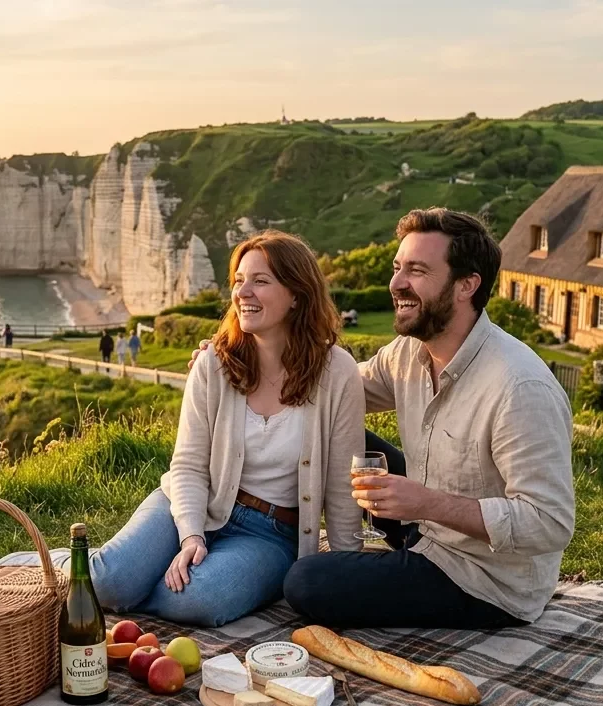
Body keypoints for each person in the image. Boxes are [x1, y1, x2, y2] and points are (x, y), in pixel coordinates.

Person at [191, 208, 574, 630]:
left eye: (417, 271)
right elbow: (331, 390)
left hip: (483, 579)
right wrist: (235, 362)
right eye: (397, 268)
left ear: (467, 285)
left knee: (305, 582)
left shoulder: (519, 387)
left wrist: (425, 503)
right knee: (345, 434)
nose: (396, 284)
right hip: (423, 532)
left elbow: (549, 523)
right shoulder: (410, 353)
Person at [2, 231, 365, 627]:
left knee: (200, 601)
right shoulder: (215, 363)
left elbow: (343, 486)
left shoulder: (337, 372)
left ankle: (139, 579)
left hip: (271, 534)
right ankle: (61, 568)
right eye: (239, 280)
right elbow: (189, 464)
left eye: (261, 281)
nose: (244, 292)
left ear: (297, 294)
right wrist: (192, 535)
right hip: (195, 500)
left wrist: (346, 577)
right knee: (108, 584)